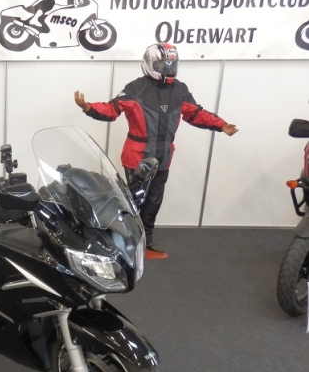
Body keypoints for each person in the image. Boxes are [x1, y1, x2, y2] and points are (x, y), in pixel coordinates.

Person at [74, 42, 238, 257]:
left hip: (163, 156)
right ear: (150, 63)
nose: (167, 69)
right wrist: (89, 108)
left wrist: (220, 125)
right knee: (133, 201)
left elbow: (195, 113)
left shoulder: (179, 89)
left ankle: (146, 242)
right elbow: (112, 109)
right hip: (137, 157)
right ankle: (124, 242)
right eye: (162, 65)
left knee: (154, 201)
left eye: (171, 64)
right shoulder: (136, 88)